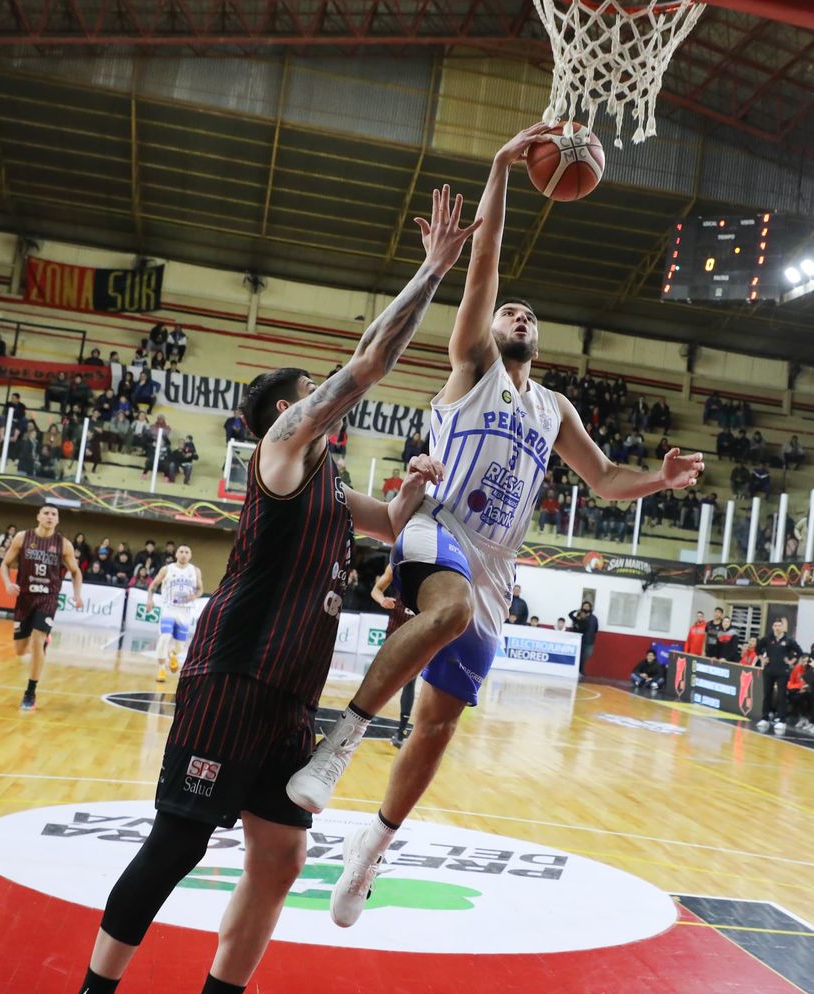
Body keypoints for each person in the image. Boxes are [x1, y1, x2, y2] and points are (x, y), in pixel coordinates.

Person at [282, 124, 704, 930]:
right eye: (508, 308)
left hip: (497, 567)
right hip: (433, 526)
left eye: (526, 313)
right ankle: (340, 745)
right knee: (445, 611)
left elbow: (607, 480)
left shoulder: (556, 409)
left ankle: (370, 848)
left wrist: (662, 476)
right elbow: (486, 261)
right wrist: (503, 166)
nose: (515, 311)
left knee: (439, 725)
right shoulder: (472, 365)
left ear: (538, 341)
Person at [71, 184, 474, 994]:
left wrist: (418, 485)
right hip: (235, 677)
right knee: (176, 844)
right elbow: (369, 363)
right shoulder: (281, 455)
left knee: (281, 860)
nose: (329, 401)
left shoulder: (328, 482)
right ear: (291, 411)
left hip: (292, 696)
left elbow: (392, 518)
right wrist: (432, 272)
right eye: (310, 393)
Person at [1, 504, 84, 713]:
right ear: (38, 516)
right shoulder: (22, 538)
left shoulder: (63, 544)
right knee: (20, 651)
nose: (49, 517)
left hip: (47, 598)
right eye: (46, 513)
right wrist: (7, 583)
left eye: (54, 514)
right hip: (25, 598)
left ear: (58, 520)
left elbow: (75, 572)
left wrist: (77, 594)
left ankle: (30, 692)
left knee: (37, 641)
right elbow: (5, 564)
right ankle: (43, 640)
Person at [371, 563, 418, 748]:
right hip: (396, 626)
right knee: (380, 677)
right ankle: (361, 718)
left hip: (417, 628)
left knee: (410, 682)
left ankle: (401, 730)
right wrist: (382, 600)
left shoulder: (434, 565)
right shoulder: (396, 565)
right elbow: (376, 590)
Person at [145, 544, 204, 684]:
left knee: (180, 646)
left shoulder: (195, 571)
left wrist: (195, 596)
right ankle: (161, 668)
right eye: (181, 551)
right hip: (169, 608)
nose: (184, 554)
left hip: (184, 611)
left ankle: (173, 654)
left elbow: (201, 589)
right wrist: (149, 599)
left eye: (187, 552)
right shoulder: (167, 569)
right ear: (176, 554)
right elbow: (153, 585)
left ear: (190, 556)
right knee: (164, 637)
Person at [753, 617, 804, 735]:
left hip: (782, 671)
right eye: (775, 625)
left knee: (781, 695)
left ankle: (782, 719)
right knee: (767, 694)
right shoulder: (767, 638)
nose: (777, 628)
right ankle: (764, 718)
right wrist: (762, 658)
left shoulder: (788, 640)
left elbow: (799, 652)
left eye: (779, 626)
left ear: (782, 627)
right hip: (769, 669)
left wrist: (791, 662)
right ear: (772, 627)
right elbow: (757, 648)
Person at [569, 600, 600, 675]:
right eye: (584, 606)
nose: (586, 607)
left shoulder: (594, 618)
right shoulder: (579, 617)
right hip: (579, 640)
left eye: (587, 606)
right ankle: (579, 670)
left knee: (587, 655)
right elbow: (573, 623)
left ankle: (581, 669)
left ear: (590, 608)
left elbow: (596, 629)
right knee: (579, 656)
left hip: (589, 641)